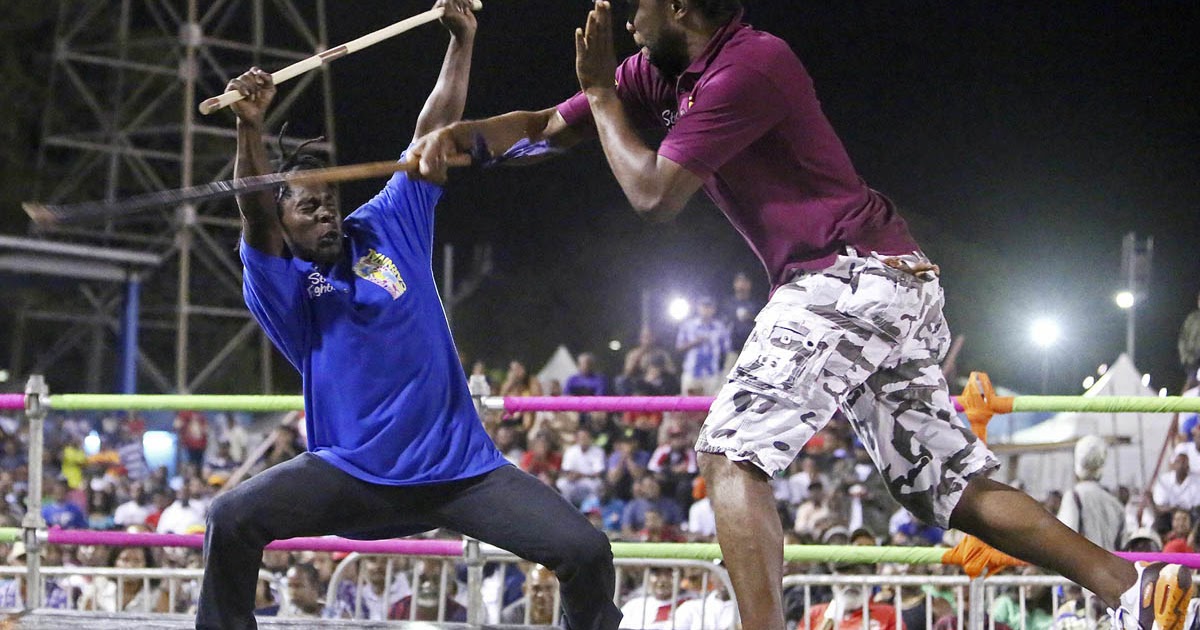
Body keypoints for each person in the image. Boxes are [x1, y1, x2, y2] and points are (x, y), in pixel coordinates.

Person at [409, 1, 1195, 628]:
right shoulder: (666, 70)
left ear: (679, 7)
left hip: (848, 277)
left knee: (728, 455)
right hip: (884, 281)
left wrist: (609, 96)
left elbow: (652, 194)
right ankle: (1130, 592)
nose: (621, 18)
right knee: (942, 484)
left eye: (635, 6)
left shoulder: (751, 66)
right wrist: (459, 142)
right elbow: (549, 128)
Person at [196, 3, 620, 629]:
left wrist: (461, 40)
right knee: (230, 518)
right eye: (308, 208)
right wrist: (250, 129)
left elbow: (433, 133)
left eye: (329, 202)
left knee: (586, 552)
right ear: (283, 226)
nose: (325, 214)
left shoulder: (389, 225)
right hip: (353, 474)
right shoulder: (281, 279)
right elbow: (255, 210)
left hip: (460, 472)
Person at [1057, 436, 1125, 550]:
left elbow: (1065, 540)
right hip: (1109, 566)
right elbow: (1122, 546)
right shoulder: (1116, 504)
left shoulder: (1073, 497)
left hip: (1083, 566)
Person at [674, 295, 730, 396]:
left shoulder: (720, 327)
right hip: (692, 371)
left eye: (709, 307)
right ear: (698, 308)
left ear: (714, 309)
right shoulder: (688, 325)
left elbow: (726, 350)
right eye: (704, 306)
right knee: (688, 406)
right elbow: (679, 347)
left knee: (711, 406)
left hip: (712, 372)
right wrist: (694, 342)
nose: (706, 310)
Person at [1178, 291, 1200, 389]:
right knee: (1190, 384)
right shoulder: (1192, 319)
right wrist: (1185, 358)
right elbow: (1183, 339)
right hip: (1193, 360)